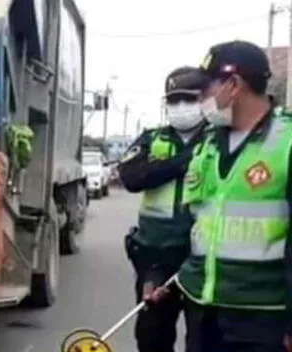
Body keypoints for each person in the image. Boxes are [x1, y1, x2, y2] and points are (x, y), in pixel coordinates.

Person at [177, 40, 292, 352]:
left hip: (262, 318)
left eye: (204, 90)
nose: (201, 100)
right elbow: (195, 223)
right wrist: (166, 276)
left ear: (233, 85)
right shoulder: (207, 145)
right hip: (204, 311)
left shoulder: (287, 144)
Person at [117, 66, 209, 352]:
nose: (180, 107)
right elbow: (132, 177)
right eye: (173, 100)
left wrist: (160, 168)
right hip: (155, 256)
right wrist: (183, 162)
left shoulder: (218, 140)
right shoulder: (152, 138)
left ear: (205, 100)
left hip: (202, 258)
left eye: (189, 99)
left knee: (203, 339)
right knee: (152, 337)